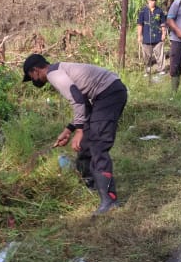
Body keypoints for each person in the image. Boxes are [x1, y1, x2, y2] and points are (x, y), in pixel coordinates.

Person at [22, 54, 128, 215]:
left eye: (31, 77)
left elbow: (77, 99)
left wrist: (79, 131)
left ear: (35, 71)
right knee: (86, 143)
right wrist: (69, 130)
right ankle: (92, 184)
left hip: (109, 94)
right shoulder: (59, 70)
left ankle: (110, 200)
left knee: (99, 147)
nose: (33, 81)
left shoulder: (53, 74)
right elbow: (84, 104)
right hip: (105, 95)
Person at [136, 0, 167, 75]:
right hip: (146, 37)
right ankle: (147, 70)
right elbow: (140, 24)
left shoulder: (159, 11)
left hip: (158, 37)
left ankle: (161, 70)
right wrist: (139, 36)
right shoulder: (143, 11)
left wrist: (164, 34)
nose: (153, 1)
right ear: (148, 0)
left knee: (160, 54)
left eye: (155, 0)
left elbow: (163, 23)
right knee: (147, 56)